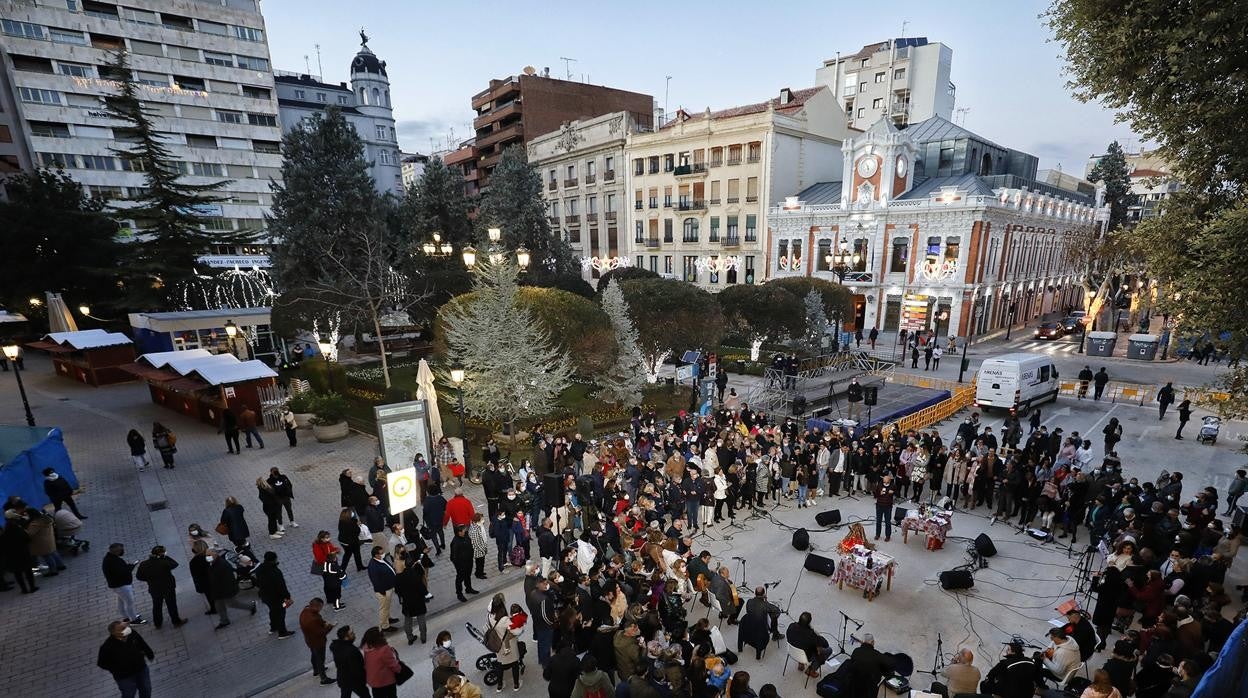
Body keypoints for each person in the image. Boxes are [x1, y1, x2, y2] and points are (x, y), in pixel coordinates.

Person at [96, 620, 155, 698]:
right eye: (122, 629)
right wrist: (116, 669)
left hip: (141, 669)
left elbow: (141, 642)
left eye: (125, 627)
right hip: (124, 676)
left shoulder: (132, 633)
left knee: (146, 689)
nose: (126, 629)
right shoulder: (107, 647)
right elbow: (102, 663)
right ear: (114, 633)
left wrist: (149, 654)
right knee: (129, 694)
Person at [135, 546, 186, 629]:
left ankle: (158, 623)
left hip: (154, 589)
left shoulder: (143, 564)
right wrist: (165, 557)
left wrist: (149, 579)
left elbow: (139, 577)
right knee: (171, 605)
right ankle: (176, 621)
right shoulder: (163, 562)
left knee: (157, 606)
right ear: (161, 554)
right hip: (168, 587)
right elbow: (175, 564)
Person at [209, 550, 257, 629]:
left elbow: (229, 579)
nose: (207, 557)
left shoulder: (222, 565)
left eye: (209, 556)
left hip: (225, 589)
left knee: (232, 604)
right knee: (219, 605)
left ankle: (251, 606)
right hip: (218, 590)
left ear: (214, 555)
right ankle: (224, 620)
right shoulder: (213, 563)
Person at [254, 551, 294, 639]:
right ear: (274, 560)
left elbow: (257, 582)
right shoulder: (275, 571)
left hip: (265, 597)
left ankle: (273, 627)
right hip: (277, 598)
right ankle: (282, 632)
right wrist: (287, 597)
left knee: (273, 611)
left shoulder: (260, 568)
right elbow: (281, 586)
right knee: (281, 612)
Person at [103, 543, 146, 625]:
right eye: (121, 550)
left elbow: (121, 570)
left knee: (121, 602)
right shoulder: (112, 561)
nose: (123, 551)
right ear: (116, 551)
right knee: (129, 602)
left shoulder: (110, 559)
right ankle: (134, 620)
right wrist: (131, 567)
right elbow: (123, 572)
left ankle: (126, 617)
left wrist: (129, 566)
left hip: (117, 585)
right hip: (121, 585)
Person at [487, 597, 523, 691]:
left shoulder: (489, 616)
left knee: (500, 664)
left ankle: (499, 686)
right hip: (509, 645)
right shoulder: (505, 620)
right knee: (514, 664)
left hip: (498, 644)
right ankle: (516, 685)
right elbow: (517, 631)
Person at [299, 598, 337, 686]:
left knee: (314, 654)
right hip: (318, 642)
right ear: (317, 607)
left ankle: (316, 670)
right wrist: (330, 626)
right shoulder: (313, 619)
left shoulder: (305, 611)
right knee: (320, 659)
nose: (321, 609)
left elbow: (318, 622)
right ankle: (323, 679)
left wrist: (323, 623)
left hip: (310, 640)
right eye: (321, 607)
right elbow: (321, 633)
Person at [845, 633, 895, 697]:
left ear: (862, 642)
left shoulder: (856, 651)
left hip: (853, 686)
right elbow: (891, 664)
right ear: (872, 642)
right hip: (869, 689)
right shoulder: (877, 655)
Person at [394, 555, 428, 646]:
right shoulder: (416, 575)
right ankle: (423, 637)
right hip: (418, 601)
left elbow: (397, 591)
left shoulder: (399, 577)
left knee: (408, 621)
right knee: (421, 620)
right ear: (413, 564)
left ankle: (410, 638)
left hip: (407, 602)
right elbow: (423, 589)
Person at [784, 611, 832, 677]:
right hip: (805, 656)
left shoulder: (791, 626)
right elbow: (826, 644)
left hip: (792, 651)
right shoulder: (811, 635)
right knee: (828, 650)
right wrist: (817, 635)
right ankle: (811, 670)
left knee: (800, 644)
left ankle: (801, 663)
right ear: (809, 623)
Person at [361, 626, 402, 698]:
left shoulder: (366, 648)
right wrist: (399, 669)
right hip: (385, 680)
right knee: (392, 696)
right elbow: (393, 664)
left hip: (373, 681)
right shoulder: (384, 649)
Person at [366, 545, 399, 634]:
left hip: (389, 587)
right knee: (384, 608)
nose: (384, 554)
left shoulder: (381, 559)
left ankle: (388, 618)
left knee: (387, 606)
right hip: (383, 591)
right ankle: (385, 626)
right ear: (376, 555)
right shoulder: (373, 566)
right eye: (381, 553)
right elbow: (375, 581)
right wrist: (382, 591)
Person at [330, 626, 370, 698]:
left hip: (343, 679)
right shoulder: (352, 651)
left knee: (345, 695)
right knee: (365, 695)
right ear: (346, 638)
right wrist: (363, 680)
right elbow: (358, 669)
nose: (354, 634)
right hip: (355, 681)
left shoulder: (337, 647)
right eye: (351, 633)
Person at [451, 524, 478, 602]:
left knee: (468, 575)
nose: (465, 531)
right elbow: (453, 557)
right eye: (463, 531)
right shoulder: (455, 542)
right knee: (460, 578)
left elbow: (470, 545)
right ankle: (459, 594)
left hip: (469, 561)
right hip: (461, 564)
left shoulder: (466, 536)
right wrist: (458, 566)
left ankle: (468, 588)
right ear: (459, 532)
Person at [874, 474, 897, 542]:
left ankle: (888, 536)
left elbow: (897, 494)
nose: (885, 482)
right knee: (878, 521)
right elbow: (875, 494)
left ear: (889, 481)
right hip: (879, 505)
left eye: (886, 481)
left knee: (887, 522)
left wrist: (893, 492)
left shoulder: (893, 485)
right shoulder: (880, 484)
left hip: (888, 506)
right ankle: (877, 534)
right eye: (884, 481)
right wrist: (879, 493)